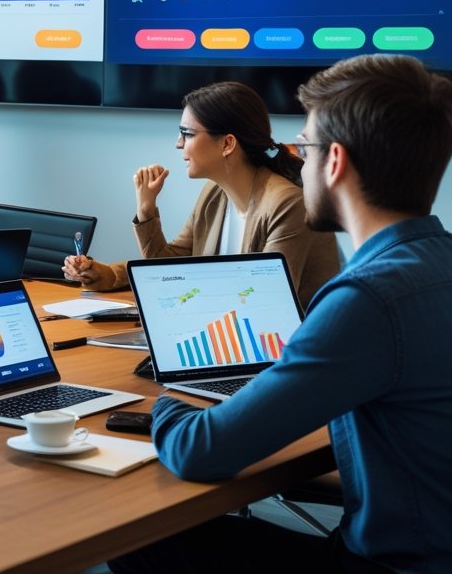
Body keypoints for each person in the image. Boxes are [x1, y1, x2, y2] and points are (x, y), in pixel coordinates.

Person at [109, 54, 452, 573]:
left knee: (143, 537)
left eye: (304, 148)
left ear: (333, 162)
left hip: (390, 563)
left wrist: (157, 404)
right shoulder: (436, 262)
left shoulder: (364, 299)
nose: (292, 159)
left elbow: (200, 452)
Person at [63, 81, 340, 307]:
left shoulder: (287, 204)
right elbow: (173, 264)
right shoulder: (215, 195)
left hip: (280, 356)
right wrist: (144, 215)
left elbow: (262, 300)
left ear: (227, 144)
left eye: (187, 133)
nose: (178, 143)